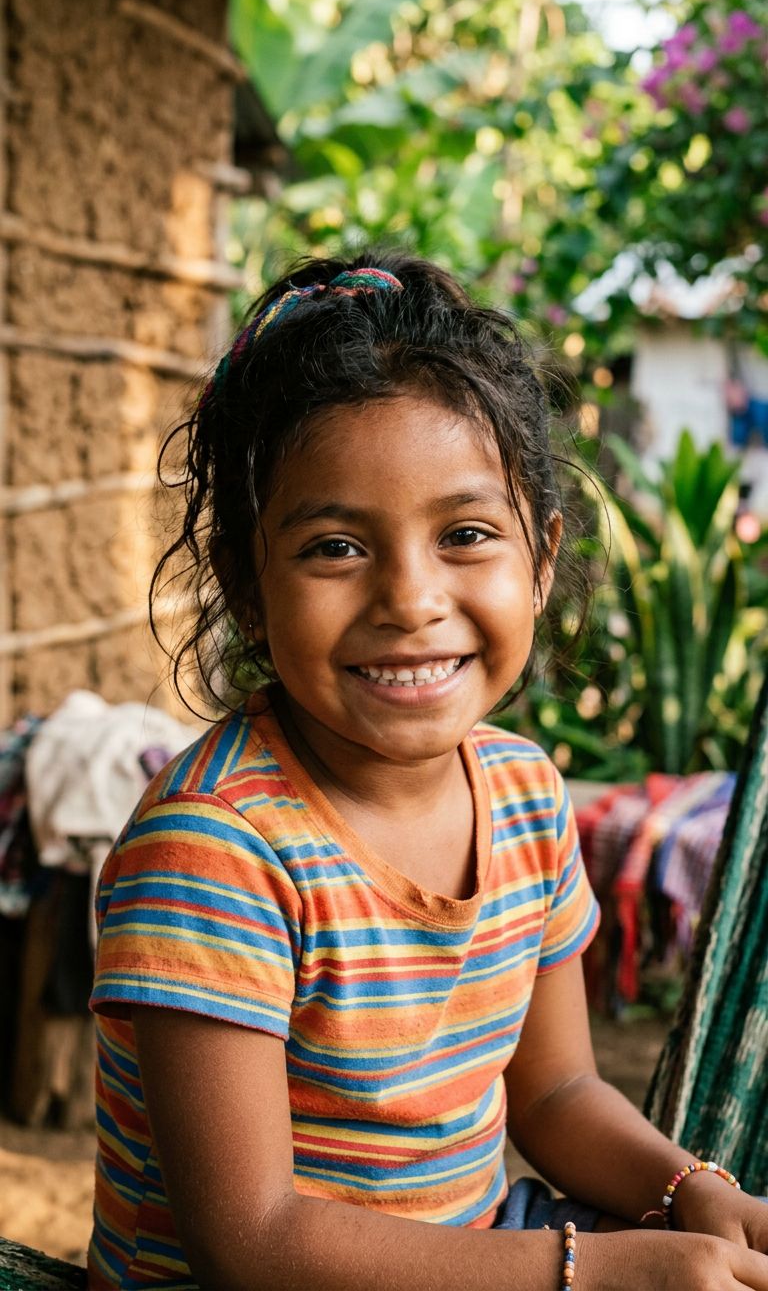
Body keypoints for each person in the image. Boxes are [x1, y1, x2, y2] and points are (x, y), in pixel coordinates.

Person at [87, 253, 768, 1291]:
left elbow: (557, 1094)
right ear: (246, 582)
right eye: (333, 547)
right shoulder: (214, 847)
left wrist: (689, 1188)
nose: (411, 597)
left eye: (465, 534)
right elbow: (252, 1241)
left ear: (539, 561)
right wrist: (592, 1269)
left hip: (477, 1242)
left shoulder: (525, 792)